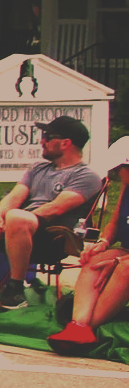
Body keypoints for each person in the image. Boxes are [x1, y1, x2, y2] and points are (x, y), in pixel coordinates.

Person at [0, 116, 100, 310]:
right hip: (15, 228)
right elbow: (14, 197)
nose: (42, 141)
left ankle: (16, 290)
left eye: (48, 136)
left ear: (65, 143)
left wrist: (12, 220)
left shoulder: (87, 176)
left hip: (52, 239)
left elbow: (55, 208)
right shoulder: (38, 168)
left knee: (17, 217)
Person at [54, 136, 129, 355]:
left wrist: (118, 260)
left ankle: (88, 328)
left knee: (124, 269)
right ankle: (77, 326)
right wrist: (103, 242)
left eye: (119, 170)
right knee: (94, 261)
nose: (117, 175)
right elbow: (114, 222)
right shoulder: (127, 187)